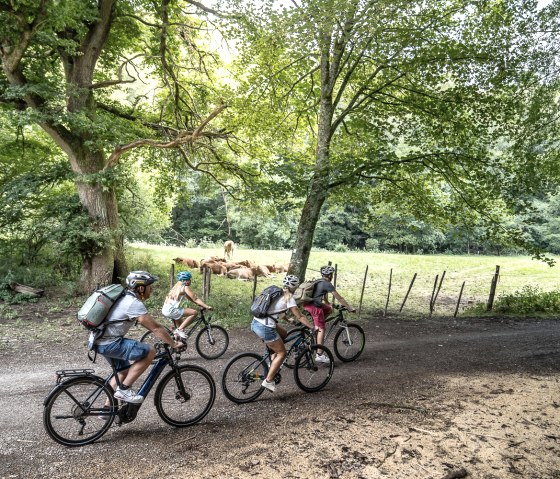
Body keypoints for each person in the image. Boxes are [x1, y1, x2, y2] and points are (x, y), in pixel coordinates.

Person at [93, 271, 184, 404]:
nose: (151, 289)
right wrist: (174, 344)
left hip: (99, 340)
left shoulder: (122, 297)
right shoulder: (132, 302)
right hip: (109, 343)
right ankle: (124, 390)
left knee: (122, 372)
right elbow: (155, 328)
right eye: (149, 286)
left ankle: (107, 410)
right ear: (141, 288)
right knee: (150, 351)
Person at [251, 275, 313, 393]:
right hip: (265, 327)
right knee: (282, 353)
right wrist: (312, 327)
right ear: (295, 287)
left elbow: (276, 310)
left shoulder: (277, 292)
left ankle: (271, 359)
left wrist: (288, 320)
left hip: (255, 322)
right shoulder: (289, 298)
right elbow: (299, 316)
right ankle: (268, 381)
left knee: (284, 333)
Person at [303, 265, 356, 364]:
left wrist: (327, 303)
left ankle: (317, 324)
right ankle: (319, 355)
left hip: (308, 305)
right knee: (322, 329)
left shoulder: (319, 281)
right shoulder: (328, 284)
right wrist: (349, 308)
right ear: (330, 275)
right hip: (315, 308)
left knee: (329, 309)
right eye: (332, 274)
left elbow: (321, 294)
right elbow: (339, 298)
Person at [162, 271, 213, 340]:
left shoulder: (176, 287)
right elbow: (195, 298)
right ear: (184, 281)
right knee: (194, 313)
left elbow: (191, 298)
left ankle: (175, 338)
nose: (190, 281)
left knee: (181, 324)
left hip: (166, 309)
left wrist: (199, 304)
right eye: (189, 279)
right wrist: (207, 306)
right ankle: (178, 330)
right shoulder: (184, 287)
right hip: (171, 310)